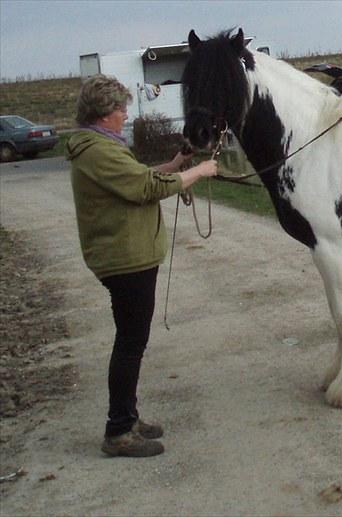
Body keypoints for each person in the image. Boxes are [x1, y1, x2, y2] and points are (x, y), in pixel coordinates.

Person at [67, 74, 217, 457]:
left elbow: (140, 180)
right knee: (130, 344)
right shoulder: (98, 151)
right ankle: (118, 431)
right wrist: (198, 172)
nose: (125, 115)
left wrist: (176, 164)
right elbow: (145, 189)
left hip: (129, 256)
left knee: (132, 342)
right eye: (121, 109)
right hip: (125, 259)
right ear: (104, 114)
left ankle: (128, 418)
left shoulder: (101, 146)